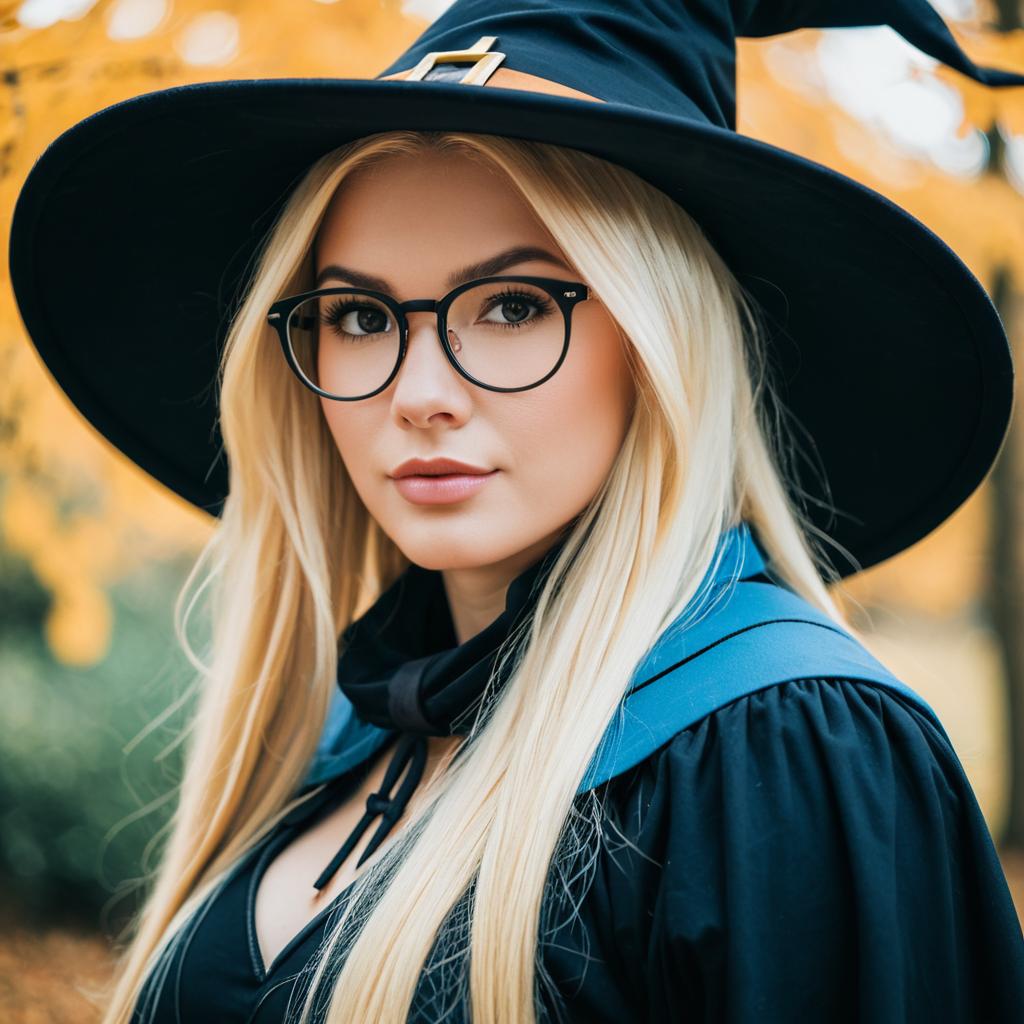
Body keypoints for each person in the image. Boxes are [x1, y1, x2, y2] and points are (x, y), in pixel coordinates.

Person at [8, 2, 1024, 1022]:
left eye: (512, 306)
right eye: (358, 316)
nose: (417, 392)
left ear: (663, 342)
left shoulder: (777, 750)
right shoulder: (343, 731)